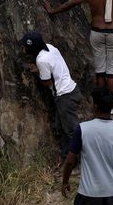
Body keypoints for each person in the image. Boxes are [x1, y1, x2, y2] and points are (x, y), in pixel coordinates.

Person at [21, 31, 81, 161]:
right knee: (60, 127)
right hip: (71, 89)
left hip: (65, 96)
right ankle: (67, 157)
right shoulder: (50, 47)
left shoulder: (41, 60)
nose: (23, 49)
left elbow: (47, 82)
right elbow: (54, 66)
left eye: (25, 47)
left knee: (71, 131)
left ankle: (79, 162)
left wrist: (38, 73)